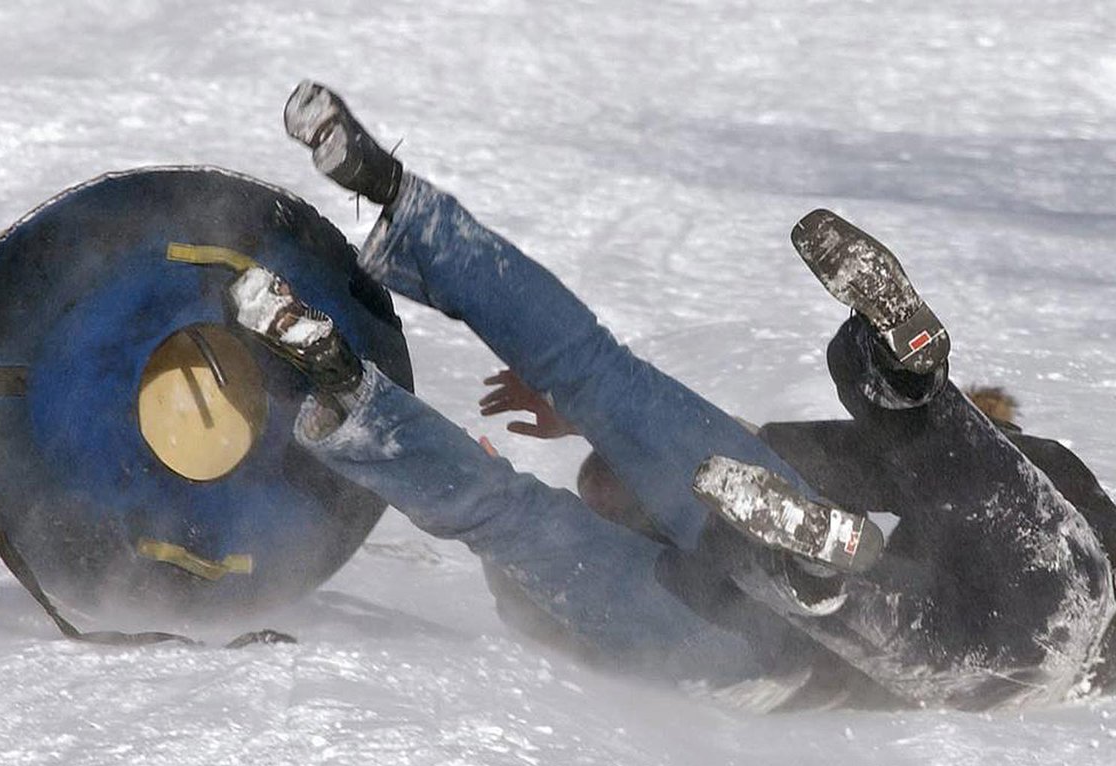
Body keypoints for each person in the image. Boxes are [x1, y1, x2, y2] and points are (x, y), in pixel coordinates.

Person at [233, 81, 1114, 710]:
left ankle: (899, 403)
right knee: (575, 422)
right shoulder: (734, 504)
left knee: (597, 399)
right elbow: (512, 531)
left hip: (937, 600)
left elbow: (527, 554)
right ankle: (860, 491)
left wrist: (581, 432)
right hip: (813, 627)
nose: (602, 483)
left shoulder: (727, 500)